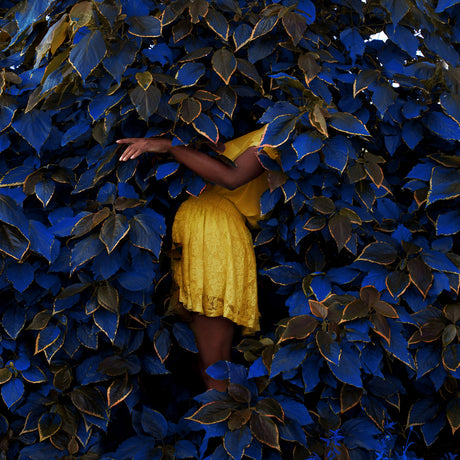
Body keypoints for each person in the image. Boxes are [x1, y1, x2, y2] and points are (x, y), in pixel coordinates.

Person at [117, 126, 276, 391]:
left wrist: (169, 145)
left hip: (213, 234)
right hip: (201, 231)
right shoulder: (263, 128)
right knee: (203, 357)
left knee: (214, 364)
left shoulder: (280, 133)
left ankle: (221, 424)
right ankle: (212, 423)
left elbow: (231, 177)